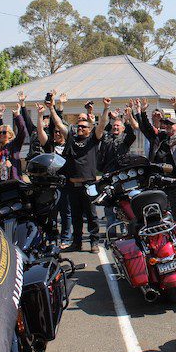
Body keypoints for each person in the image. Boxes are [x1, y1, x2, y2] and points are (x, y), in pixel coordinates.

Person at [51, 95, 110, 253]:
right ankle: (76, 243)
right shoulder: (71, 138)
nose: (80, 128)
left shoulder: (93, 139)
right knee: (76, 217)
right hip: (72, 185)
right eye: (78, 126)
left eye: (84, 126)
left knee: (91, 216)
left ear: (89, 129)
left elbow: (102, 124)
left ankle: (94, 243)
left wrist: (105, 108)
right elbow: (58, 123)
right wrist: (51, 108)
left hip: (89, 184)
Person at [134, 99, 176, 220]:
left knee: (175, 209)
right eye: (165, 124)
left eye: (170, 124)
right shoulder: (159, 138)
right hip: (157, 178)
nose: (167, 126)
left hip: (172, 179)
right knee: (159, 208)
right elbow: (146, 128)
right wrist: (142, 112)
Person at [36, 102, 72, 248]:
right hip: (50, 184)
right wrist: (39, 115)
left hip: (65, 183)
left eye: (60, 131)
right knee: (51, 213)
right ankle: (51, 237)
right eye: (55, 131)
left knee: (66, 213)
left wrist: (57, 108)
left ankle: (66, 238)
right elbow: (40, 132)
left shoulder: (70, 145)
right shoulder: (49, 145)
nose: (57, 133)